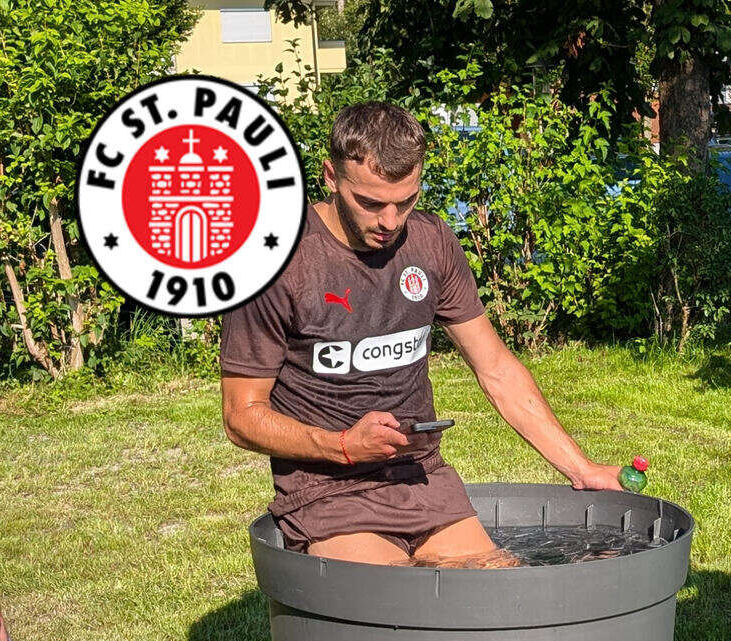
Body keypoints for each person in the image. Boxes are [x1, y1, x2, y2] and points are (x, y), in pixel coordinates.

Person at [220, 102, 623, 567]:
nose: (390, 222)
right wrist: (344, 446)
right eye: (370, 203)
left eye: (405, 201)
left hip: (420, 475)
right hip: (327, 487)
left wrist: (581, 467)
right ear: (331, 176)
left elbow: (496, 368)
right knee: (395, 598)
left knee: (500, 589)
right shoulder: (277, 260)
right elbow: (241, 416)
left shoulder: (431, 241)